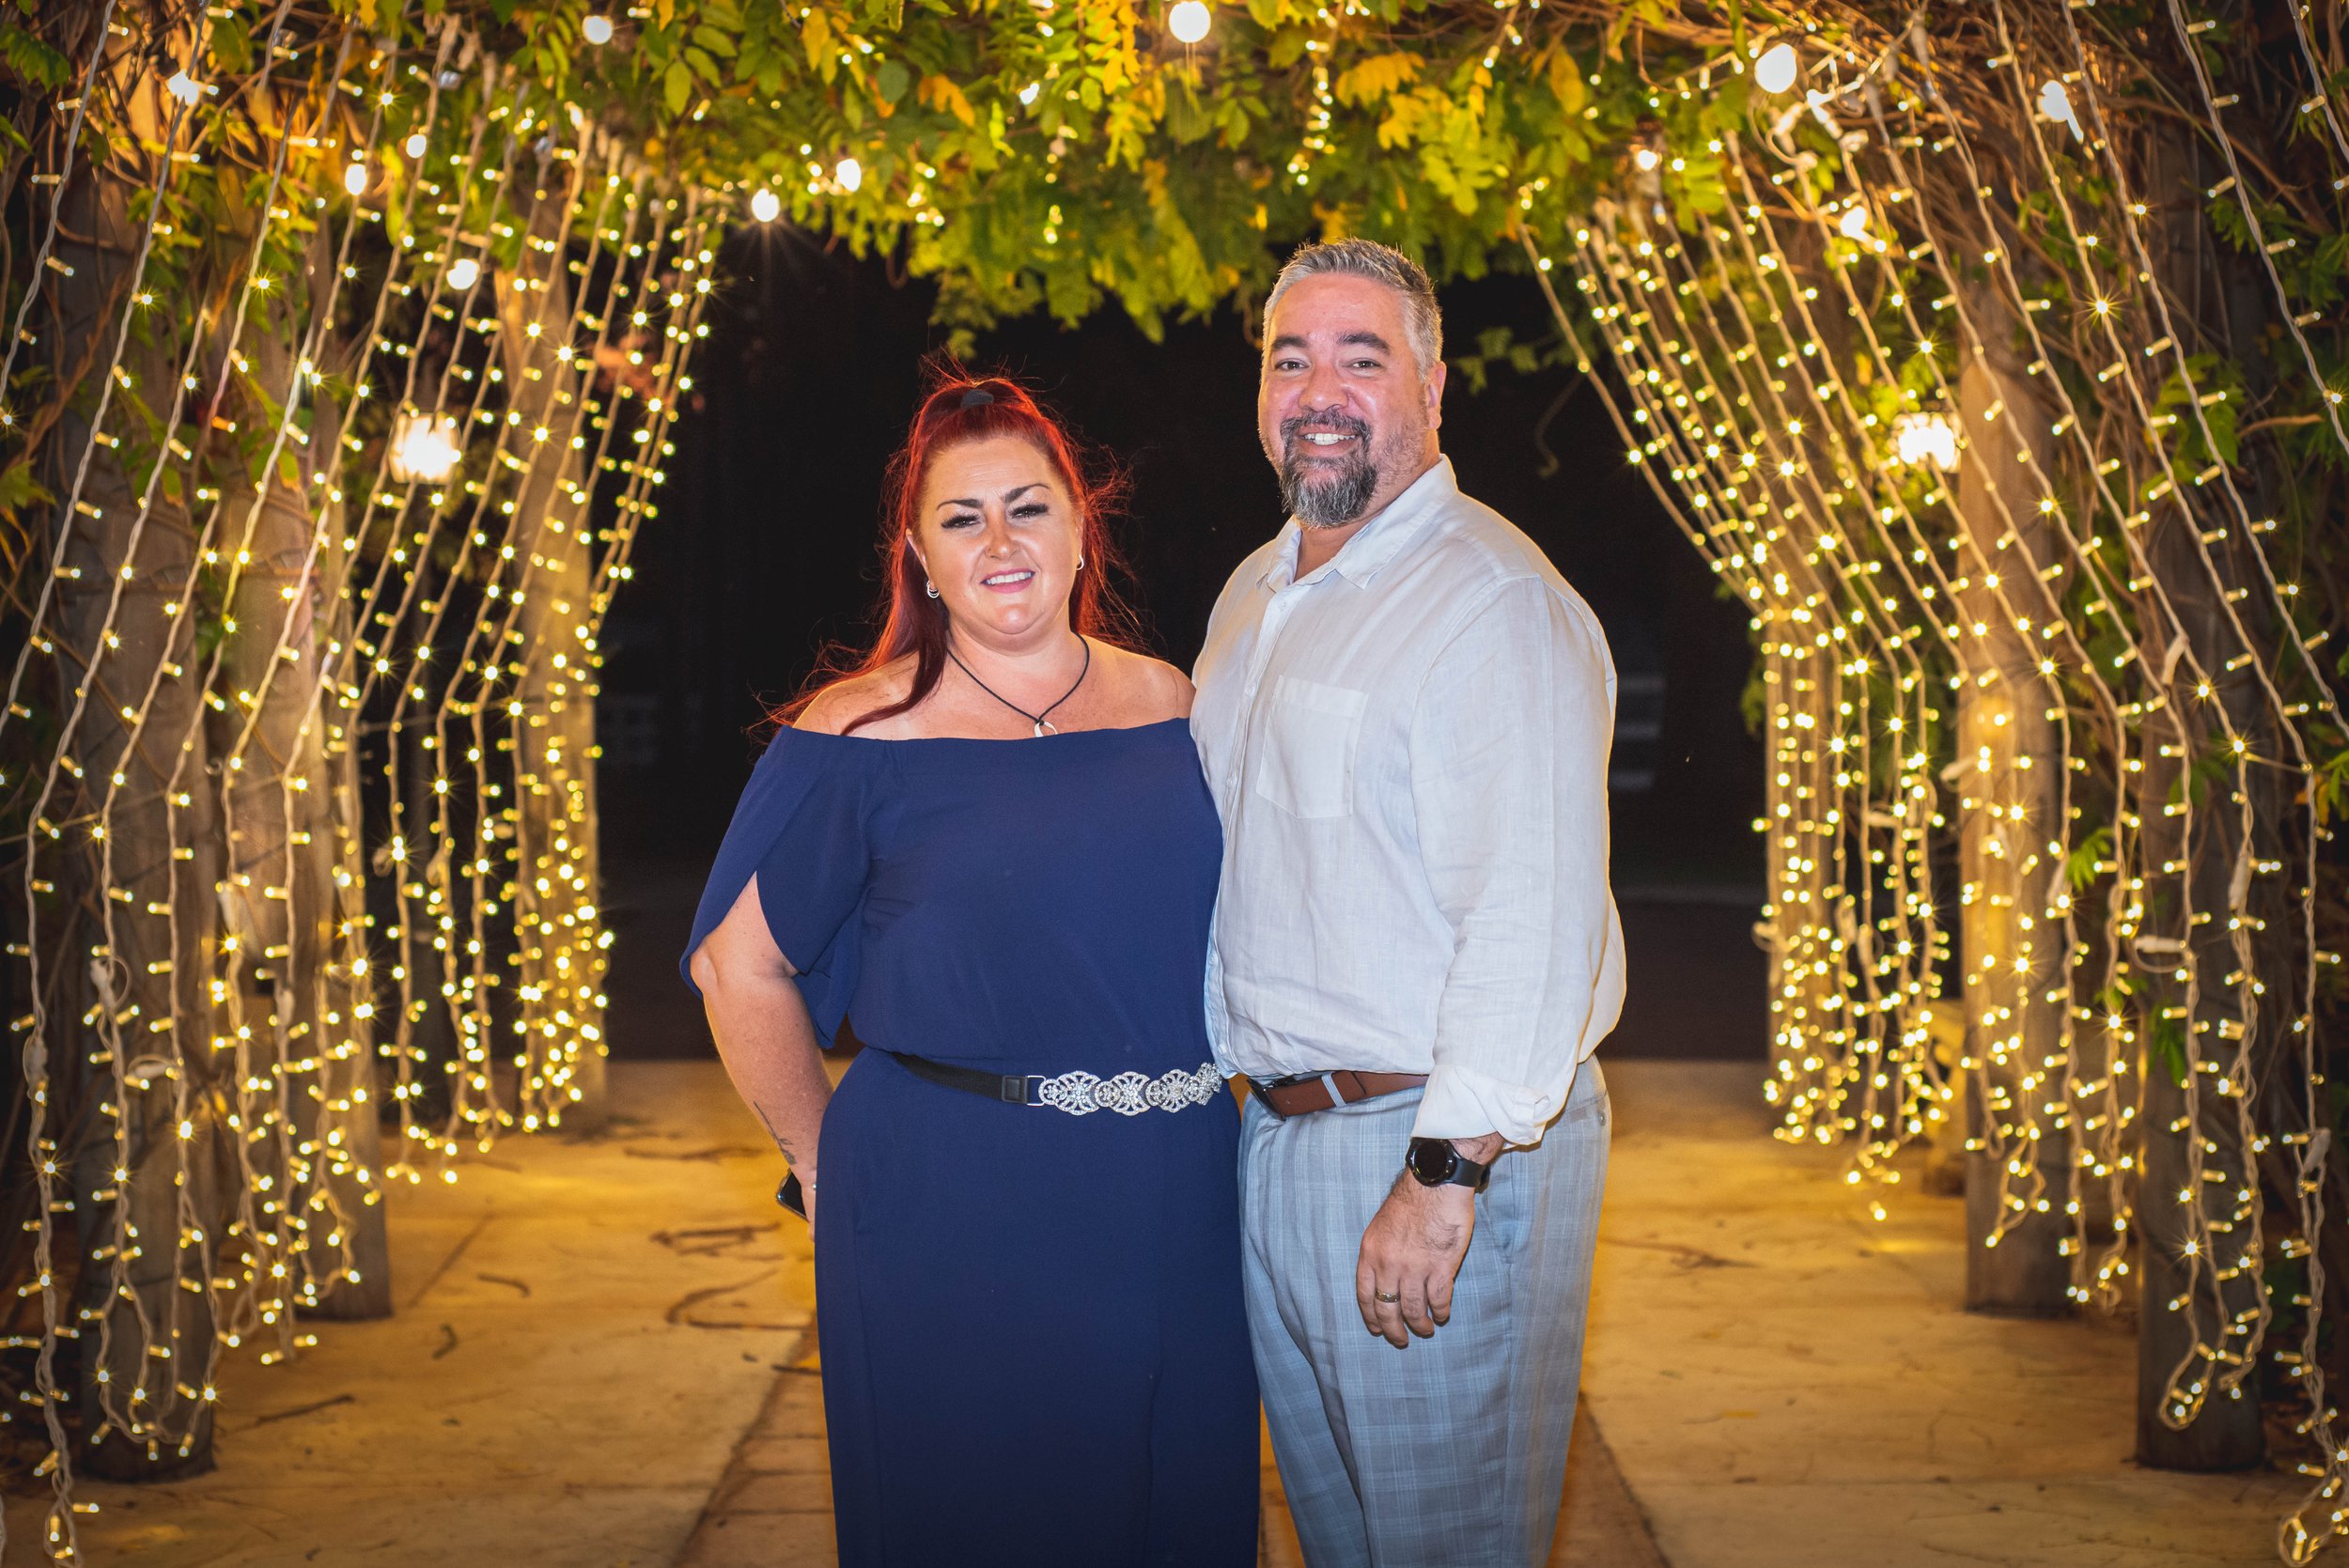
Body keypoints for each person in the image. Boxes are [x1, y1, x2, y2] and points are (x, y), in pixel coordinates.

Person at [681, 374, 1259, 1567]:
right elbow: (739, 968)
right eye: (962, 518)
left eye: (1027, 507)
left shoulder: (1173, 703)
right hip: (953, 1207)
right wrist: (823, 1163)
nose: (1000, 542)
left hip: (1183, 1195)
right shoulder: (857, 734)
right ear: (921, 559)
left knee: (1181, 1514)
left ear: (1080, 526)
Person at [1191, 238, 1625, 1566]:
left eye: (1361, 358)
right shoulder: (1255, 594)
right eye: (1291, 359)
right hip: (1280, 1142)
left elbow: (1531, 910)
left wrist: (1443, 1176)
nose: (1319, 391)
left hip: (1433, 1146)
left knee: (1449, 1545)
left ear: (1431, 389)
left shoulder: (1490, 598)